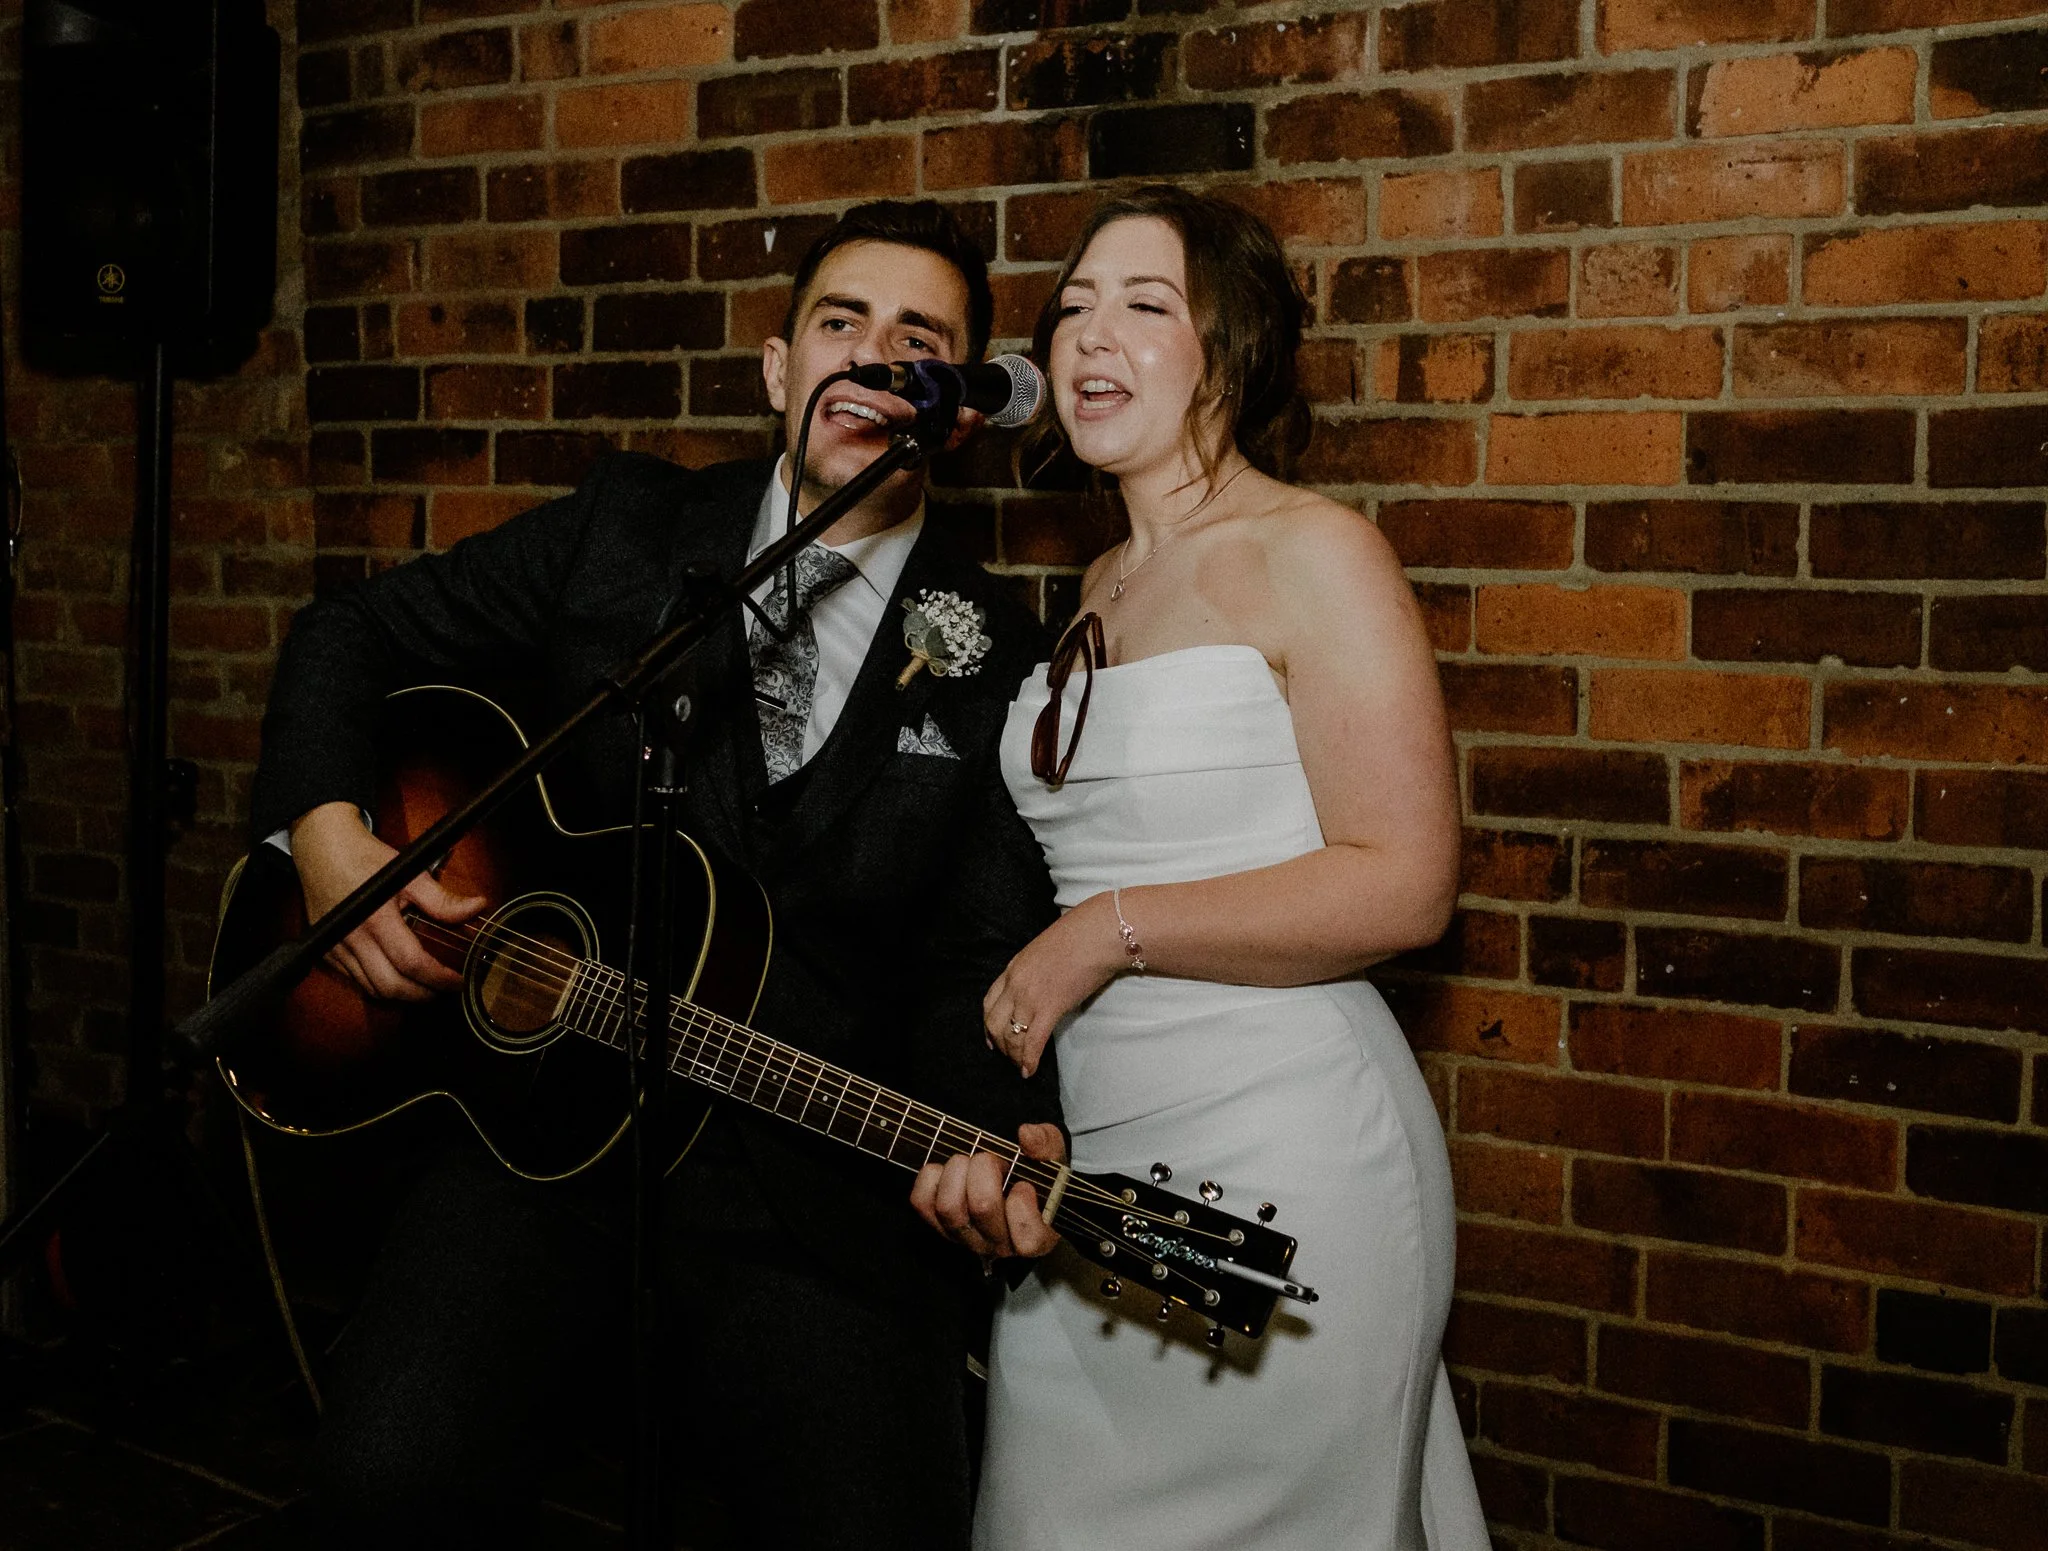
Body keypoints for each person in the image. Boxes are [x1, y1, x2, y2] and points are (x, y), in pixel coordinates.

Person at [249, 200, 1065, 1548]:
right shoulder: (625, 530)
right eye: (840, 324)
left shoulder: (997, 659)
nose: (871, 358)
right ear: (778, 367)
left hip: (804, 1195)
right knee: (378, 1490)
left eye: (918, 341)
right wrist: (329, 833)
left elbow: (965, 956)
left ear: (958, 409)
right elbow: (352, 628)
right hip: (539, 1142)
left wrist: (982, 1139)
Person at [910, 186, 1491, 1549]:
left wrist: (1102, 932)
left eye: (1145, 303)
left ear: (1234, 346)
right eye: (1072, 308)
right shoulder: (1096, 582)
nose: (1089, 335)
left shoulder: (1315, 550)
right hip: (1097, 1159)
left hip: (1286, 1149)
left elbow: (1409, 879)